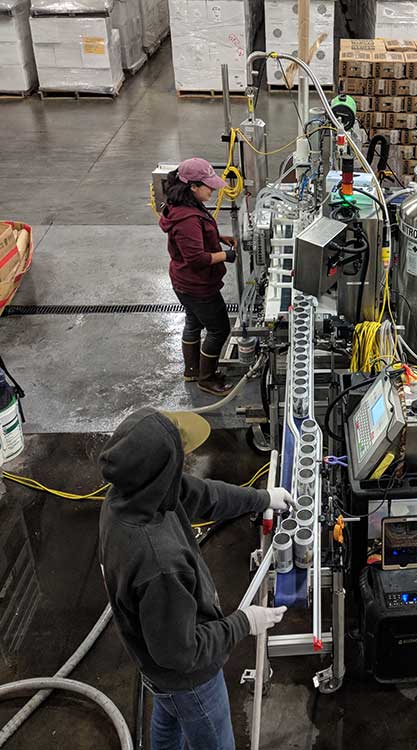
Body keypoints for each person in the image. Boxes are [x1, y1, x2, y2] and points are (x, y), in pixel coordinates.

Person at [98, 407, 296, 750]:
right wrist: (243, 622)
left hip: (160, 666)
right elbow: (180, 653)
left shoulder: (130, 495)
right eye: (179, 460)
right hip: (189, 677)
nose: (186, 464)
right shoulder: (158, 563)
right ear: (163, 471)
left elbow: (204, 496)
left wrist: (262, 498)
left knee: (169, 712)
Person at [160, 157, 237, 397]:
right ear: (192, 186)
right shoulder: (188, 219)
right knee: (219, 329)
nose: (212, 189)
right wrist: (225, 255)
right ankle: (207, 378)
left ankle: (192, 370)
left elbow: (195, 242)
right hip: (198, 285)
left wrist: (218, 237)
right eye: (208, 186)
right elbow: (196, 259)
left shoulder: (183, 206)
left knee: (193, 322)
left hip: (183, 282)